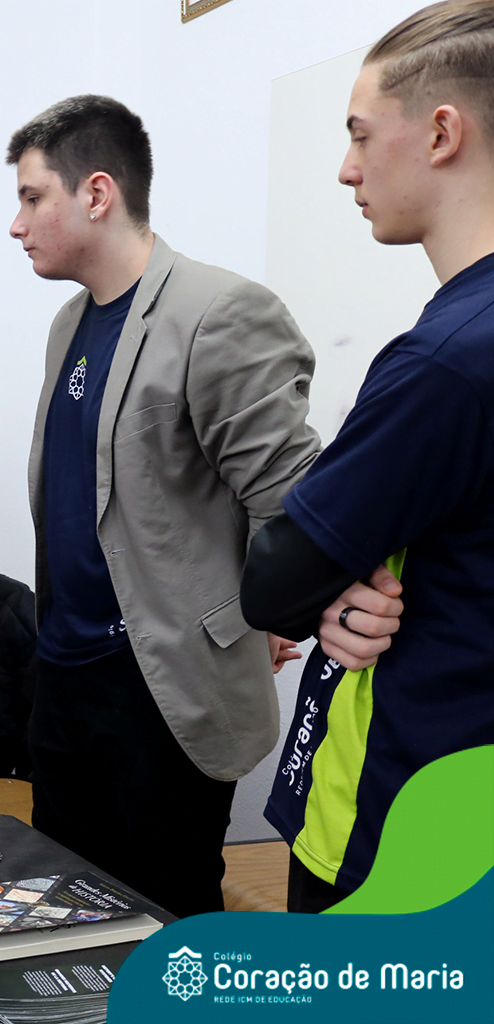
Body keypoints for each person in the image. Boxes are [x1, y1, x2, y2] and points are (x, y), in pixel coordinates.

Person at [8, 96, 322, 918]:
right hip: (63, 676)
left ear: (97, 194)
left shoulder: (219, 311)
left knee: (167, 921)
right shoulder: (69, 323)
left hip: (161, 688)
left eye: (33, 197)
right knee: (69, 914)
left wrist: (267, 611)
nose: (17, 224)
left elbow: (287, 498)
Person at [241, 0, 494, 913]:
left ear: (441, 133)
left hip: (404, 811)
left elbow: (275, 580)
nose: (347, 169)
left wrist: (323, 586)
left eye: (358, 135)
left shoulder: (447, 362)